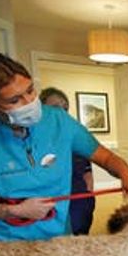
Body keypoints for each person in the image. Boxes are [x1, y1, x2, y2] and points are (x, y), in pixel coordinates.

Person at [0, 51, 128, 241]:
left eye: (30, 91)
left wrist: (126, 172)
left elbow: (106, 158)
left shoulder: (59, 121)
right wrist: (15, 211)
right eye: (15, 100)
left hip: (60, 238)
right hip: (5, 249)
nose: (29, 102)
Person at [39, 87, 96, 235]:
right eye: (55, 108)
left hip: (79, 200)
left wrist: (88, 198)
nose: (61, 113)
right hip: (52, 204)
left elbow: (87, 171)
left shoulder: (74, 135)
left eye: (65, 108)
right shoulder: (35, 140)